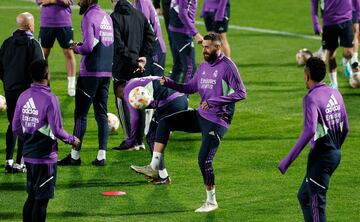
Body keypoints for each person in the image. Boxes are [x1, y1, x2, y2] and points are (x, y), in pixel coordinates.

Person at [131, 34, 246, 212]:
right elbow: (190, 88)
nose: (204, 50)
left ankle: (211, 201)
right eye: (203, 47)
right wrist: (170, 83)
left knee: (204, 160)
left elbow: (241, 93)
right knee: (164, 123)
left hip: (218, 120)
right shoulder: (204, 66)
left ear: (218, 47)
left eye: (208, 47)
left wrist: (215, 102)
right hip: (202, 114)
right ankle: (154, 166)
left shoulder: (228, 67)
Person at [278, 57, 349, 222]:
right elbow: (346, 128)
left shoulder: (311, 98)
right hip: (334, 154)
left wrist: (286, 161)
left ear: (306, 75)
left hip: (321, 158)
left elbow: (309, 130)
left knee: (316, 204)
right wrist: (335, 148)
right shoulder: (335, 93)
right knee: (304, 196)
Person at [12, 59, 80, 222]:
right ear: (46, 74)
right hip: (45, 158)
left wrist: (28, 140)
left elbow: (15, 127)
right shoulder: (50, 99)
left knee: (32, 196)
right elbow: (57, 131)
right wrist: (73, 140)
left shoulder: (23, 96)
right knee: (41, 201)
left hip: (28, 156)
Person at [58, 0, 114, 166]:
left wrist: (76, 48)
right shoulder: (106, 17)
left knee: (81, 114)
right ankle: (101, 155)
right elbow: (108, 44)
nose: (79, 2)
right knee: (101, 113)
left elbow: (89, 47)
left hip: (90, 72)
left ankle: (75, 156)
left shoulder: (89, 17)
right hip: (106, 72)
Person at [115, 76, 188, 184]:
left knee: (154, 138)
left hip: (171, 104)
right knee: (152, 136)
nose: (124, 99)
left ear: (120, 89)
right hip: (180, 100)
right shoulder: (140, 81)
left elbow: (135, 118)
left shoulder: (127, 91)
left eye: (120, 97)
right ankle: (155, 170)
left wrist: (130, 141)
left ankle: (162, 176)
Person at [0, 12, 44, 173]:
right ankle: (20, 163)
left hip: (10, 90)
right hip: (28, 93)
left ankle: (8, 160)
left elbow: (0, 67)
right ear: (29, 26)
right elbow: (40, 70)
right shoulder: (33, 44)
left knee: (13, 124)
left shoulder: (7, 42)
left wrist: (8, 83)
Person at [111, 0, 155, 150]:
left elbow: (118, 45)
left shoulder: (114, 17)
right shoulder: (140, 15)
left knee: (122, 103)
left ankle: (129, 140)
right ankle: (140, 141)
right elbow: (151, 36)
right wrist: (142, 57)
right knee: (138, 100)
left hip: (122, 68)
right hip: (139, 68)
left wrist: (133, 60)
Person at [35, 0, 77, 96]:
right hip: (46, 23)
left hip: (64, 23)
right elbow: (39, 1)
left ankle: (71, 86)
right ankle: (45, 84)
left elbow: (68, 1)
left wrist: (50, 1)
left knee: (69, 53)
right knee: (43, 55)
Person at [311, 0, 355, 89]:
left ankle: (345, 62)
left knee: (349, 53)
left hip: (346, 20)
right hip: (329, 22)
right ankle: (334, 83)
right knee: (330, 53)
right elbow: (314, 4)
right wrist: (316, 24)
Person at [168, 0, 203, 83]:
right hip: (182, 32)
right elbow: (182, 13)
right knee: (190, 68)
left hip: (175, 29)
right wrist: (195, 34)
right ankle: (184, 95)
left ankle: (169, 94)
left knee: (178, 65)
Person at [134, 0, 167, 77]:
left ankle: (179, 89)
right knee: (146, 83)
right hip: (152, 48)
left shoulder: (142, 3)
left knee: (156, 86)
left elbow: (147, 30)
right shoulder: (140, 2)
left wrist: (143, 53)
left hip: (155, 49)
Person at [351, 0, 360, 72]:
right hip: (349, 9)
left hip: (355, 9)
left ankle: (354, 58)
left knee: (356, 32)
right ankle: (353, 59)